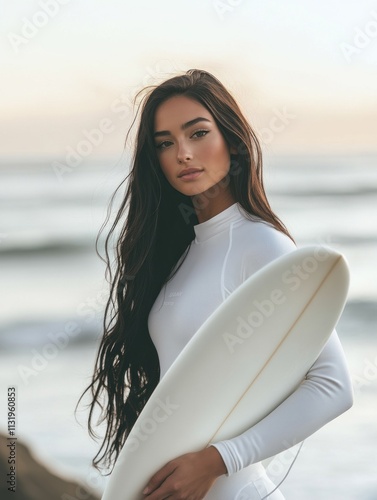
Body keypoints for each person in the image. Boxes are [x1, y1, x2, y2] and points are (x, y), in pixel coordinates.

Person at [79, 69, 353, 499]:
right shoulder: (180, 253)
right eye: (165, 143)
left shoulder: (261, 243)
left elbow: (333, 386)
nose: (183, 153)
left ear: (232, 140)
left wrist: (216, 461)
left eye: (198, 133)